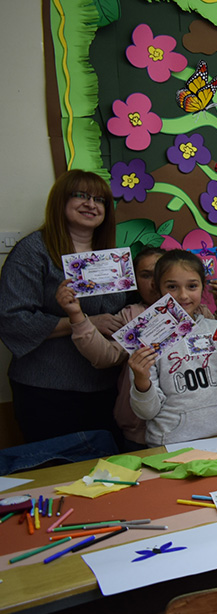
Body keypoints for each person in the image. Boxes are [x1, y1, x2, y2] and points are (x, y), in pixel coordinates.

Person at [0, 171, 127, 445]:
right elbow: (12, 320)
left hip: (106, 385)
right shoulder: (33, 251)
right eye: (81, 196)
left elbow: (124, 312)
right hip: (47, 389)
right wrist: (84, 322)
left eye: (99, 200)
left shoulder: (111, 256)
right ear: (61, 201)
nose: (91, 204)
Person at [128, 251, 217, 446]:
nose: (183, 295)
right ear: (157, 288)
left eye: (192, 286)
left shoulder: (216, 329)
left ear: (202, 286)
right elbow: (147, 411)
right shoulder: (146, 338)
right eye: (172, 287)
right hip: (169, 443)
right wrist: (140, 379)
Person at [57, 247, 165, 449]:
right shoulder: (130, 316)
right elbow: (105, 356)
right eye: (145, 275)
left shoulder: (197, 312)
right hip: (140, 431)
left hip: (194, 425)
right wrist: (77, 316)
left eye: (160, 273)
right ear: (134, 281)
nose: (154, 282)